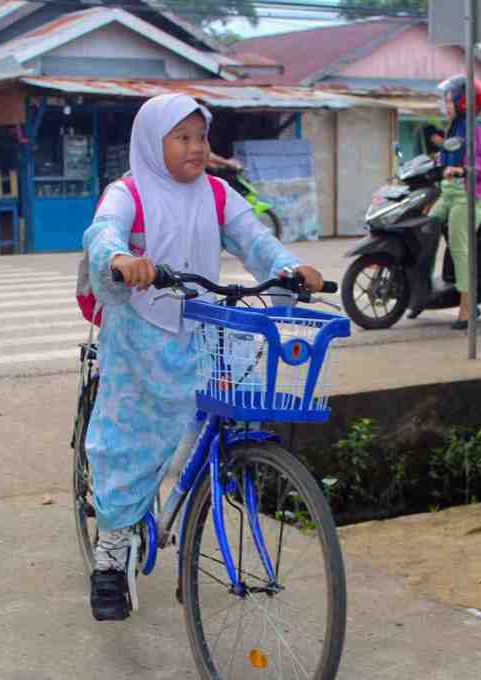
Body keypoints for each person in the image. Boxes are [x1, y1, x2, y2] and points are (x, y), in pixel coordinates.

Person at [80, 94, 324, 622]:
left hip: (204, 327)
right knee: (129, 444)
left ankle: (211, 486)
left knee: (225, 411)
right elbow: (102, 234)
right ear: (153, 142)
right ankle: (110, 550)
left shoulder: (217, 192)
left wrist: (289, 265)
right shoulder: (127, 192)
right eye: (182, 137)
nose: (196, 147)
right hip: (141, 337)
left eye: (201, 137)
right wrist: (120, 258)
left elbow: (254, 239)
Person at [418, 76, 481, 329]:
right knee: (425, 226)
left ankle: (467, 308)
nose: (446, 105)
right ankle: (421, 288)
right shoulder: (454, 127)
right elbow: (444, 156)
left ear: (464, 102)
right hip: (449, 193)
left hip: (469, 195)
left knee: (460, 248)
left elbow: (480, 162)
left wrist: (464, 169)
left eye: (450, 100)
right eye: (446, 100)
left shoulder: (475, 129)